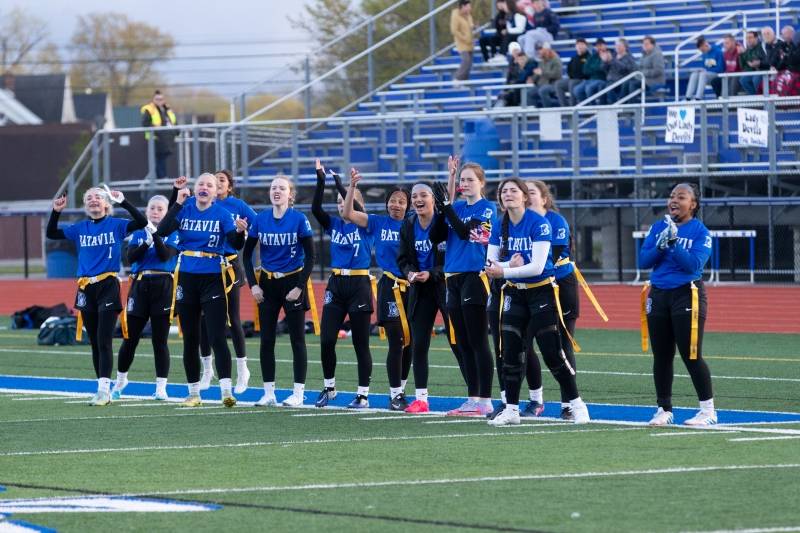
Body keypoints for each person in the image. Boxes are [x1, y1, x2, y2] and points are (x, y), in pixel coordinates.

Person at [484, 179, 589, 426]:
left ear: (524, 197)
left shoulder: (539, 224)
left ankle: (576, 403)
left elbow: (538, 266)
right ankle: (511, 409)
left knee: (553, 353)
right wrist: (510, 266)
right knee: (510, 352)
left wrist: (505, 269)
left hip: (541, 292)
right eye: (503, 191)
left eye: (513, 190)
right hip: (513, 293)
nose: (508, 194)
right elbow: (490, 265)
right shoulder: (500, 226)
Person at [46, 187, 148, 405]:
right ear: (85, 205)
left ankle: (104, 390)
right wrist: (56, 211)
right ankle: (101, 387)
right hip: (85, 288)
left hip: (108, 284)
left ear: (105, 204)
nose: (93, 200)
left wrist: (124, 201)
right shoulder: (80, 228)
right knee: (94, 341)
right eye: (88, 198)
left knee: (104, 339)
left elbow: (140, 222)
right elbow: (51, 233)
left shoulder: (116, 224)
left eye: (98, 197)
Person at [156, 173, 247, 407]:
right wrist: (176, 202)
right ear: (195, 189)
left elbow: (236, 244)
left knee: (217, 336)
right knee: (191, 339)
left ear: (217, 192)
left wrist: (239, 232)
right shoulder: (185, 209)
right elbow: (163, 230)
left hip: (213, 277)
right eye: (201, 184)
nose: (204, 187)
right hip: (187, 278)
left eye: (210, 185)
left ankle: (226, 391)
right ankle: (193, 393)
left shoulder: (223, 214)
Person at [639, 183, 716, 426]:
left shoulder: (701, 232)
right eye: (671, 195)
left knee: (691, 354)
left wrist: (672, 244)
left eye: (681, 197)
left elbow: (693, 265)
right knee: (661, 355)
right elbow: (643, 260)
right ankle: (664, 409)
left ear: (693, 204)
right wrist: (661, 244)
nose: (673, 200)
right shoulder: (658, 226)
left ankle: (708, 410)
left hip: (687, 295)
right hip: (658, 294)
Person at [429, 157, 496, 417]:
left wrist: (447, 208)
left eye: (471, 180)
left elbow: (470, 234)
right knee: (463, 343)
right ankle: (473, 399)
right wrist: (440, 208)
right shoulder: (454, 207)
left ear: (481, 183)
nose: (465, 184)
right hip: (452, 278)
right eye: (463, 179)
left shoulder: (487, 207)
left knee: (478, 340)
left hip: (473, 277)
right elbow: (436, 237)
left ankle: (486, 400)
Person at [243, 175, 315, 407]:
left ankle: (298, 393)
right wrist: (253, 284)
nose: (277, 191)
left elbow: (311, 256)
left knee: (297, 340)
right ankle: (269, 393)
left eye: (282, 188)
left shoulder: (299, 219)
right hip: (267, 283)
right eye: (273, 187)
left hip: (292, 280)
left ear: (290, 194)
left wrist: (299, 286)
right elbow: (246, 254)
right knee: (266, 340)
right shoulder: (261, 218)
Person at [342, 172, 412, 410]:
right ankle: (395, 395)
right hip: (390, 286)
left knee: (410, 342)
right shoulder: (378, 222)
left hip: (415, 287)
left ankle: (402, 391)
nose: (396, 205)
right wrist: (352, 186)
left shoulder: (414, 223)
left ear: (408, 205)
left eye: (402, 201)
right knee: (396, 341)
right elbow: (348, 214)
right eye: (393, 200)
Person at [311, 160, 375, 409]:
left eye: (345, 201)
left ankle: (362, 394)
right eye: (338, 202)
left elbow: (355, 206)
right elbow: (316, 208)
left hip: (359, 282)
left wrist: (343, 185)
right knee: (327, 339)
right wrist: (321, 180)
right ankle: (329, 387)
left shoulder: (367, 223)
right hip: (337, 284)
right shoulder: (334, 224)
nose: (342, 206)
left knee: (361, 343)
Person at [397, 182, 464, 414]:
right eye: (414, 196)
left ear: (433, 199)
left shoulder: (444, 221)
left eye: (423, 195)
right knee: (419, 345)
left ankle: (476, 396)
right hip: (420, 290)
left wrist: (433, 273)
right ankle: (421, 399)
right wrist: (410, 273)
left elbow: (454, 256)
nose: (418, 199)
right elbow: (402, 259)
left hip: (444, 286)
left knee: (458, 343)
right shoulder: (408, 224)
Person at [191, 170, 256, 394]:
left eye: (221, 180)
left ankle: (242, 369)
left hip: (228, 265)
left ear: (229, 186)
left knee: (232, 318)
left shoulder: (236, 205)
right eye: (211, 181)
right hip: (204, 269)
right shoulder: (199, 203)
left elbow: (255, 225)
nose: (215, 184)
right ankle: (207, 370)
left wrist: (243, 230)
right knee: (202, 320)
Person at [110, 195, 179, 402]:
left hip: (163, 286)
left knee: (160, 341)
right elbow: (131, 258)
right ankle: (121, 379)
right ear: (147, 211)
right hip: (140, 285)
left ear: (166, 212)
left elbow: (165, 255)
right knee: (130, 338)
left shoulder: (173, 233)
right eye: (152, 208)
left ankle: (161, 387)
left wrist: (155, 235)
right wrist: (147, 238)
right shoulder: (139, 232)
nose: (156, 211)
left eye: (160, 209)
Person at [140, 90, 177, 180]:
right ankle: (161, 177)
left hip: (166, 139)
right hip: (155, 138)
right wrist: (157, 130)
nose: (159, 101)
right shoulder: (149, 109)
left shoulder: (167, 109)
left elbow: (173, 122)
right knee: (158, 159)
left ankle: (161, 177)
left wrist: (176, 131)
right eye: (157, 99)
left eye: (161, 99)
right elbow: (145, 123)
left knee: (162, 158)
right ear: (153, 99)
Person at [498, 42, 537, 107]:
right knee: (504, 95)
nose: (516, 52)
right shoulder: (512, 62)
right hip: (516, 85)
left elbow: (523, 77)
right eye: (514, 51)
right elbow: (509, 77)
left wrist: (521, 66)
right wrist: (506, 88)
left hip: (524, 84)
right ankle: (497, 110)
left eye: (517, 50)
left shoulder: (530, 62)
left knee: (513, 93)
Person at [556, 38, 590, 107]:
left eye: (582, 44)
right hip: (573, 79)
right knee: (558, 84)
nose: (580, 46)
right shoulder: (574, 58)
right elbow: (569, 69)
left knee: (572, 83)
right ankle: (564, 107)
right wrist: (571, 76)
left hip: (583, 80)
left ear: (586, 46)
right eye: (578, 45)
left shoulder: (589, 57)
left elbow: (588, 71)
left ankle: (572, 107)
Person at [572, 38, 608, 103]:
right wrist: (596, 68)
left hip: (602, 79)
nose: (599, 47)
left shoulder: (608, 55)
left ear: (605, 46)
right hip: (590, 79)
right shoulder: (593, 56)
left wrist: (593, 68)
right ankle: (586, 108)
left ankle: (593, 108)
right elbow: (585, 70)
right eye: (597, 46)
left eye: (600, 45)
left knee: (589, 88)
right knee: (576, 90)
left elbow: (602, 69)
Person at [528, 42, 562, 108]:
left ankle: (547, 111)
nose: (539, 51)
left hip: (553, 84)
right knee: (529, 93)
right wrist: (532, 79)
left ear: (547, 49)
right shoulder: (542, 61)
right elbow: (538, 74)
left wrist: (542, 73)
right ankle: (534, 114)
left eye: (541, 49)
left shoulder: (556, 60)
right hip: (542, 84)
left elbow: (557, 74)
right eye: (538, 50)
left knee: (543, 90)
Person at [604, 38, 637, 103]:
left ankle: (616, 107)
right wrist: (605, 62)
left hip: (621, 81)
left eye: (619, 45)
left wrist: (613, 60)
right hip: (611, 80)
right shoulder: (613, 56)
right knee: (601, 87)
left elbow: (625, 69)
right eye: (616, 45)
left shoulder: (629, 57)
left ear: (625, 47)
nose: (617, 47)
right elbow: (604, 69)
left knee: (608, 88)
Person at [450, 0, 475, 82]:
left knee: (469, 63)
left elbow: (470, 26)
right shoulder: (455, 15)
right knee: (466, 60)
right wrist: (464, 37)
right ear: (463, 6)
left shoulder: (468, 15)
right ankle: (457, 78)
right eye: (468, 6)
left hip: (470, 43)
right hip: (462, 43)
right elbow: (454, 30)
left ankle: (464, 81)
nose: (470, 8)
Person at [739, 31, 768, 95]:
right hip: (753, 71)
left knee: (755, 79)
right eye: (747, 38)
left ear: (756, 38)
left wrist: (760, 63)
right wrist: (741, 55)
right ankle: (754, 98)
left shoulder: (763, 46)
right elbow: (743, 66)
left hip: (764, 70)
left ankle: (760, 99)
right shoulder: (748, 49)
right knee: (743, 80)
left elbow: (769, 61)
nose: (748, 40)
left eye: (750, 37)